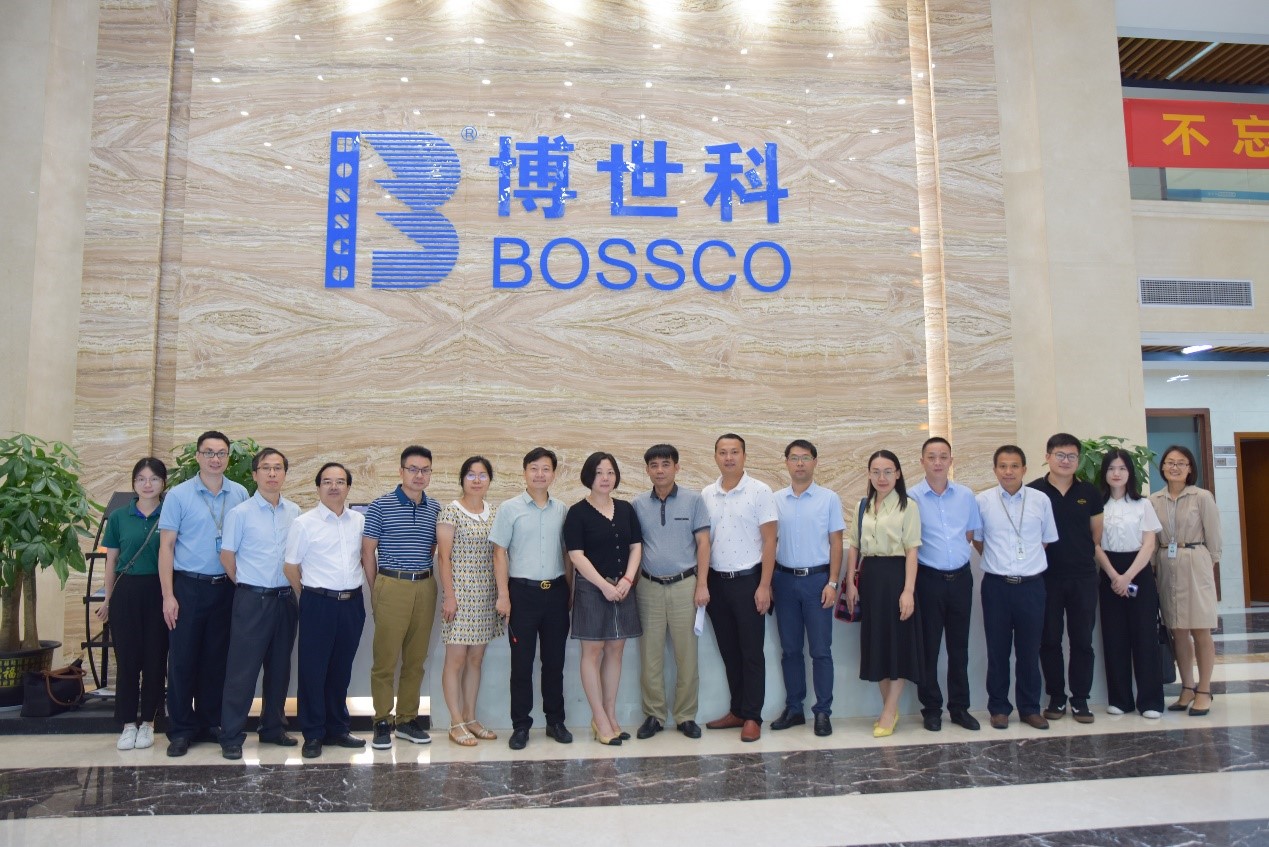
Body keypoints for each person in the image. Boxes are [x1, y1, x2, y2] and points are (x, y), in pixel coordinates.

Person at [157, 430, 249, 757]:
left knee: (216, 659)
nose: (215, 459)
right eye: (208, 452)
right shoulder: (179, 495)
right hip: (188, 587)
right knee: (182, 660)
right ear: (197, 456)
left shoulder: (240, 493)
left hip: (225, 588)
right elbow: (166, 547)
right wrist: (168, 596)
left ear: (228, 458)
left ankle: (211, 722)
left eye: (221, 453)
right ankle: (181, 729)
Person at [284, 462, 372, 759]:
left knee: (340, 669)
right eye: (327, 481)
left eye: (340, 481)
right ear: (318, 487)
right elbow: (290, 567)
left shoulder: (359, 521)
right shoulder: (304, 523)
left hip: (352, 604)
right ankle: (313, 733)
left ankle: (338, 728)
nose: (334, 487)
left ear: (348, 487)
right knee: (313, 670)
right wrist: (310, 596)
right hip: (318, 603)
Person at [218, 448, 301, 760]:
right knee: (242, 671)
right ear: (254, 475)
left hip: (285, 599)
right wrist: (247, 585)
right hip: (252, 599)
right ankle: (231, 735)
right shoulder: (240, 513)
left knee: (279, 669)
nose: (272, 473)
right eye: (266, 468)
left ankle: (272, 728)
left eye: (278, 468)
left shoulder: (295, 512)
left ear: (285, 474)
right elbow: (227, 557)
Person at [489, 447, 574, 750]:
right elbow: (499, 553)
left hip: (556, 592)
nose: (540, 474)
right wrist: (504, 595)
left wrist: (570, 592)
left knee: (554, 663)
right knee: (521, 664)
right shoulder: (509, 508)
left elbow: (568, 554)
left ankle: (555, 721)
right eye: (534, 468)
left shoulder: (562, 509)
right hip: (521, 594)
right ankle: (521, 725)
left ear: (554, 474)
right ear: (524, 472)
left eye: (546, 469)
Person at [362, 445, 441, 751]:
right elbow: (368, 552)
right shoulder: (380, 506)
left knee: (416, 660)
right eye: (413, 469)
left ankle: (407, 719)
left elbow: (432, 548)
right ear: (401, 471)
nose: (419, 475)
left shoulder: (435, 508)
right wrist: (377, 589)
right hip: (391, 584)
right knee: (385, 660)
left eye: (425, 470)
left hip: (425, 585)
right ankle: (382, 721)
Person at [974, 445, 1059, 731]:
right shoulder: (982, 501)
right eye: (1002, 466)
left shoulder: (1040, 500)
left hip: (1031, 587)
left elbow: (1045, 540)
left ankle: (1030, 708)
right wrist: (1000, 561)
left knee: (1029, 651)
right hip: (996, 586)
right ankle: (999, 708)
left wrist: (1025, 563)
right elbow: (978, 540)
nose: (1008, 471)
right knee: (997, 651)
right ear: (995, 470)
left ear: (1024, 469)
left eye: (1014, 466)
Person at [631, 444, 711, 740]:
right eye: (654, 465)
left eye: (666, 464)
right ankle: (653, 715)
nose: (660, 470)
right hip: (648, 586)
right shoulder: (638, 504)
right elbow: (635, 547)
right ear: (647, 470)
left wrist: (702, 584)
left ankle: (685, 716)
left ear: (677, 467)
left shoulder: (694, 500)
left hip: (685, 586)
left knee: (686, 656)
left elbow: (704, 544)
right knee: (650, 657)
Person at [702, 433, 777, 743]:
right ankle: (737, 710)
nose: (728, 457)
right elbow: (704, 542)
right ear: (715, 457)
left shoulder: (760, 491)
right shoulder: (707, 494)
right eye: (723, 452)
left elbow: (770, 541)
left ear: (744, 456)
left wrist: (764, 585)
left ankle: (752, 716)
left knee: (751, 653)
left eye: (734, 452)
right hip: (717, 583)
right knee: (729, 651)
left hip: (749, 581)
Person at [565, 452, 644, 745]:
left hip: (623, 587)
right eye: (599, 472)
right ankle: (598, 718)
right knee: (593, 651)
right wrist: (603, 586)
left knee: (616, 650)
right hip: (591, 589)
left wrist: (627, 580)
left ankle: (611, 715)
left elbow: (636, 547)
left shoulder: (625, 509)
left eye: (610, 472)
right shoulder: (577, 512)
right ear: (589, 476)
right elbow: (576, 555)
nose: (605, 478)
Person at [843, 449, 922, 737]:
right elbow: (854, 545)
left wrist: (908, 590)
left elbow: (912, 550)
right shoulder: (862, 506)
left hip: (897, 576)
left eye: (888, 471)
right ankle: (889, 707)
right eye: (876, 472)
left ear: (898, 474)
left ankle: (888, 711)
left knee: (898, 643)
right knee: (876, 642)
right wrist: (851, 582)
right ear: (868, 475)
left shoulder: (908, 506)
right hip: (870, 578)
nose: (882, 477)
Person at [1028, 433, 1104, 725]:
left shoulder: (1090, 492)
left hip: (1083, 577)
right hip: (1045, 577)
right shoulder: (1034, 491)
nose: (1066, 461)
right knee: (1049, 640)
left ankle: (1081, 699)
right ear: (1047, 457)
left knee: (1082, 640)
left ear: (1078, 460)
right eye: (1060, 455)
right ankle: (1056, 697)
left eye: (1072, 456)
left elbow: (1096, 534)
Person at [770, 439, 844, 737]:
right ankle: (794, 708)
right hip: (784, 580)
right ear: (786, 462)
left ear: (815, 461)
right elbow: (769, 542)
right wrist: (768, 582)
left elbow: (836, 542)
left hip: (817, 581)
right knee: (790, 650)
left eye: (805, 457)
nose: (799, 463)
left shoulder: (829, 499)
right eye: (794, 458)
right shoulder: (775, 499)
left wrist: (833, 582)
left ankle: (823, 712)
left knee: (820, 651)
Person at [910, 437, 983, 732]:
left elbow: (970, 534)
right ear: (922, 461)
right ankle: (931, 709)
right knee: (928, 648)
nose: (937, 462)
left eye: (943, 456)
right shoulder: (911, 497)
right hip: (928, 580)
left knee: (959, 648)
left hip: (961, 579)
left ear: (951, 461)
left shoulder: (966, 495)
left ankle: (960, 708)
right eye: (931, 457)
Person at [97, 457, 168, 752]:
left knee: (155, 659)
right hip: (126, 592)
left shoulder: (170, 514)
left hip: (159, 591)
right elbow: (111, 561)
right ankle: (128, 724)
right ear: (134, 483)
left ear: (163, 483)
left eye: (154, 478)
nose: (147, 484)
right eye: (141, 479)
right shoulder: (119, 517)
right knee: (127, 661)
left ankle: (149, 722)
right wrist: (107, 599)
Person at [1150, 445, 1222, 718]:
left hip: (1195, 560)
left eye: (1181, 463)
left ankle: (1204, 689)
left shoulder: (1202, 497)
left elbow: (1214, 539)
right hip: (1166, 565)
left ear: (1190, 468)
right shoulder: (1154, 500)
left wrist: (1205, 565)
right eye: (1170, 462)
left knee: (1201, 629)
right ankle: (1187, 687)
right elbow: (1152, 538)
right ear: (1162, 467)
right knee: (1177, 630)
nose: (1175, 467)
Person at [436, 456, 502, 746]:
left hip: (486, 596)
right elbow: (444, 558)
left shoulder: (494, 512)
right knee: (456, 660)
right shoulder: (451, 511)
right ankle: (455, 722)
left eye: (482, 475)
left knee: (476, 660)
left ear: (490, 480)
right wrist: (449, 596)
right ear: (462, 479)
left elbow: (499, 555)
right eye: (471, 475)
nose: (477, 480)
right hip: (460, 597)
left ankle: (470, 717)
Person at [1094, 449, 1164, 718]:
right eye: (1111, 468)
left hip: (1139, 572)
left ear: (1130, 473)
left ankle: (1151, 701)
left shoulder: (1143, 504)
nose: (1116, 473)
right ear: (1104, 473)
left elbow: (1149, 544)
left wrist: (1127, 576)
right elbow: (1095, 544)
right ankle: (1120, 700)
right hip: (1108, 571)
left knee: (1145, 636)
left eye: (1122, 468)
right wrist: (1114, 575)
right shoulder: (1097, 505)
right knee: (1114, 636)